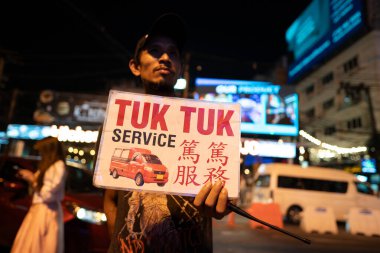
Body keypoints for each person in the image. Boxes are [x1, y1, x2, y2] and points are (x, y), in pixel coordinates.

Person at [103, 13, 231, 253]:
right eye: (154, 51)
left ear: (180, 68)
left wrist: (221, 202)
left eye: (173, 53)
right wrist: (117, 245)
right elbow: (111, 199)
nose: (165, 58)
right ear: (135, 66)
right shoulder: (117, 123)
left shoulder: (207, 126)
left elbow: (223, 191)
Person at [11, 136, 67, 253]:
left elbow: (47, 195)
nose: (41, 154)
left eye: (42, 151)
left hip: (46, 212)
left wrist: (32, 179)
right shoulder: (50, 167)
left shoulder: (57, 166)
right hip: (40, 210)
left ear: (48, 150)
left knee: (38, 245)